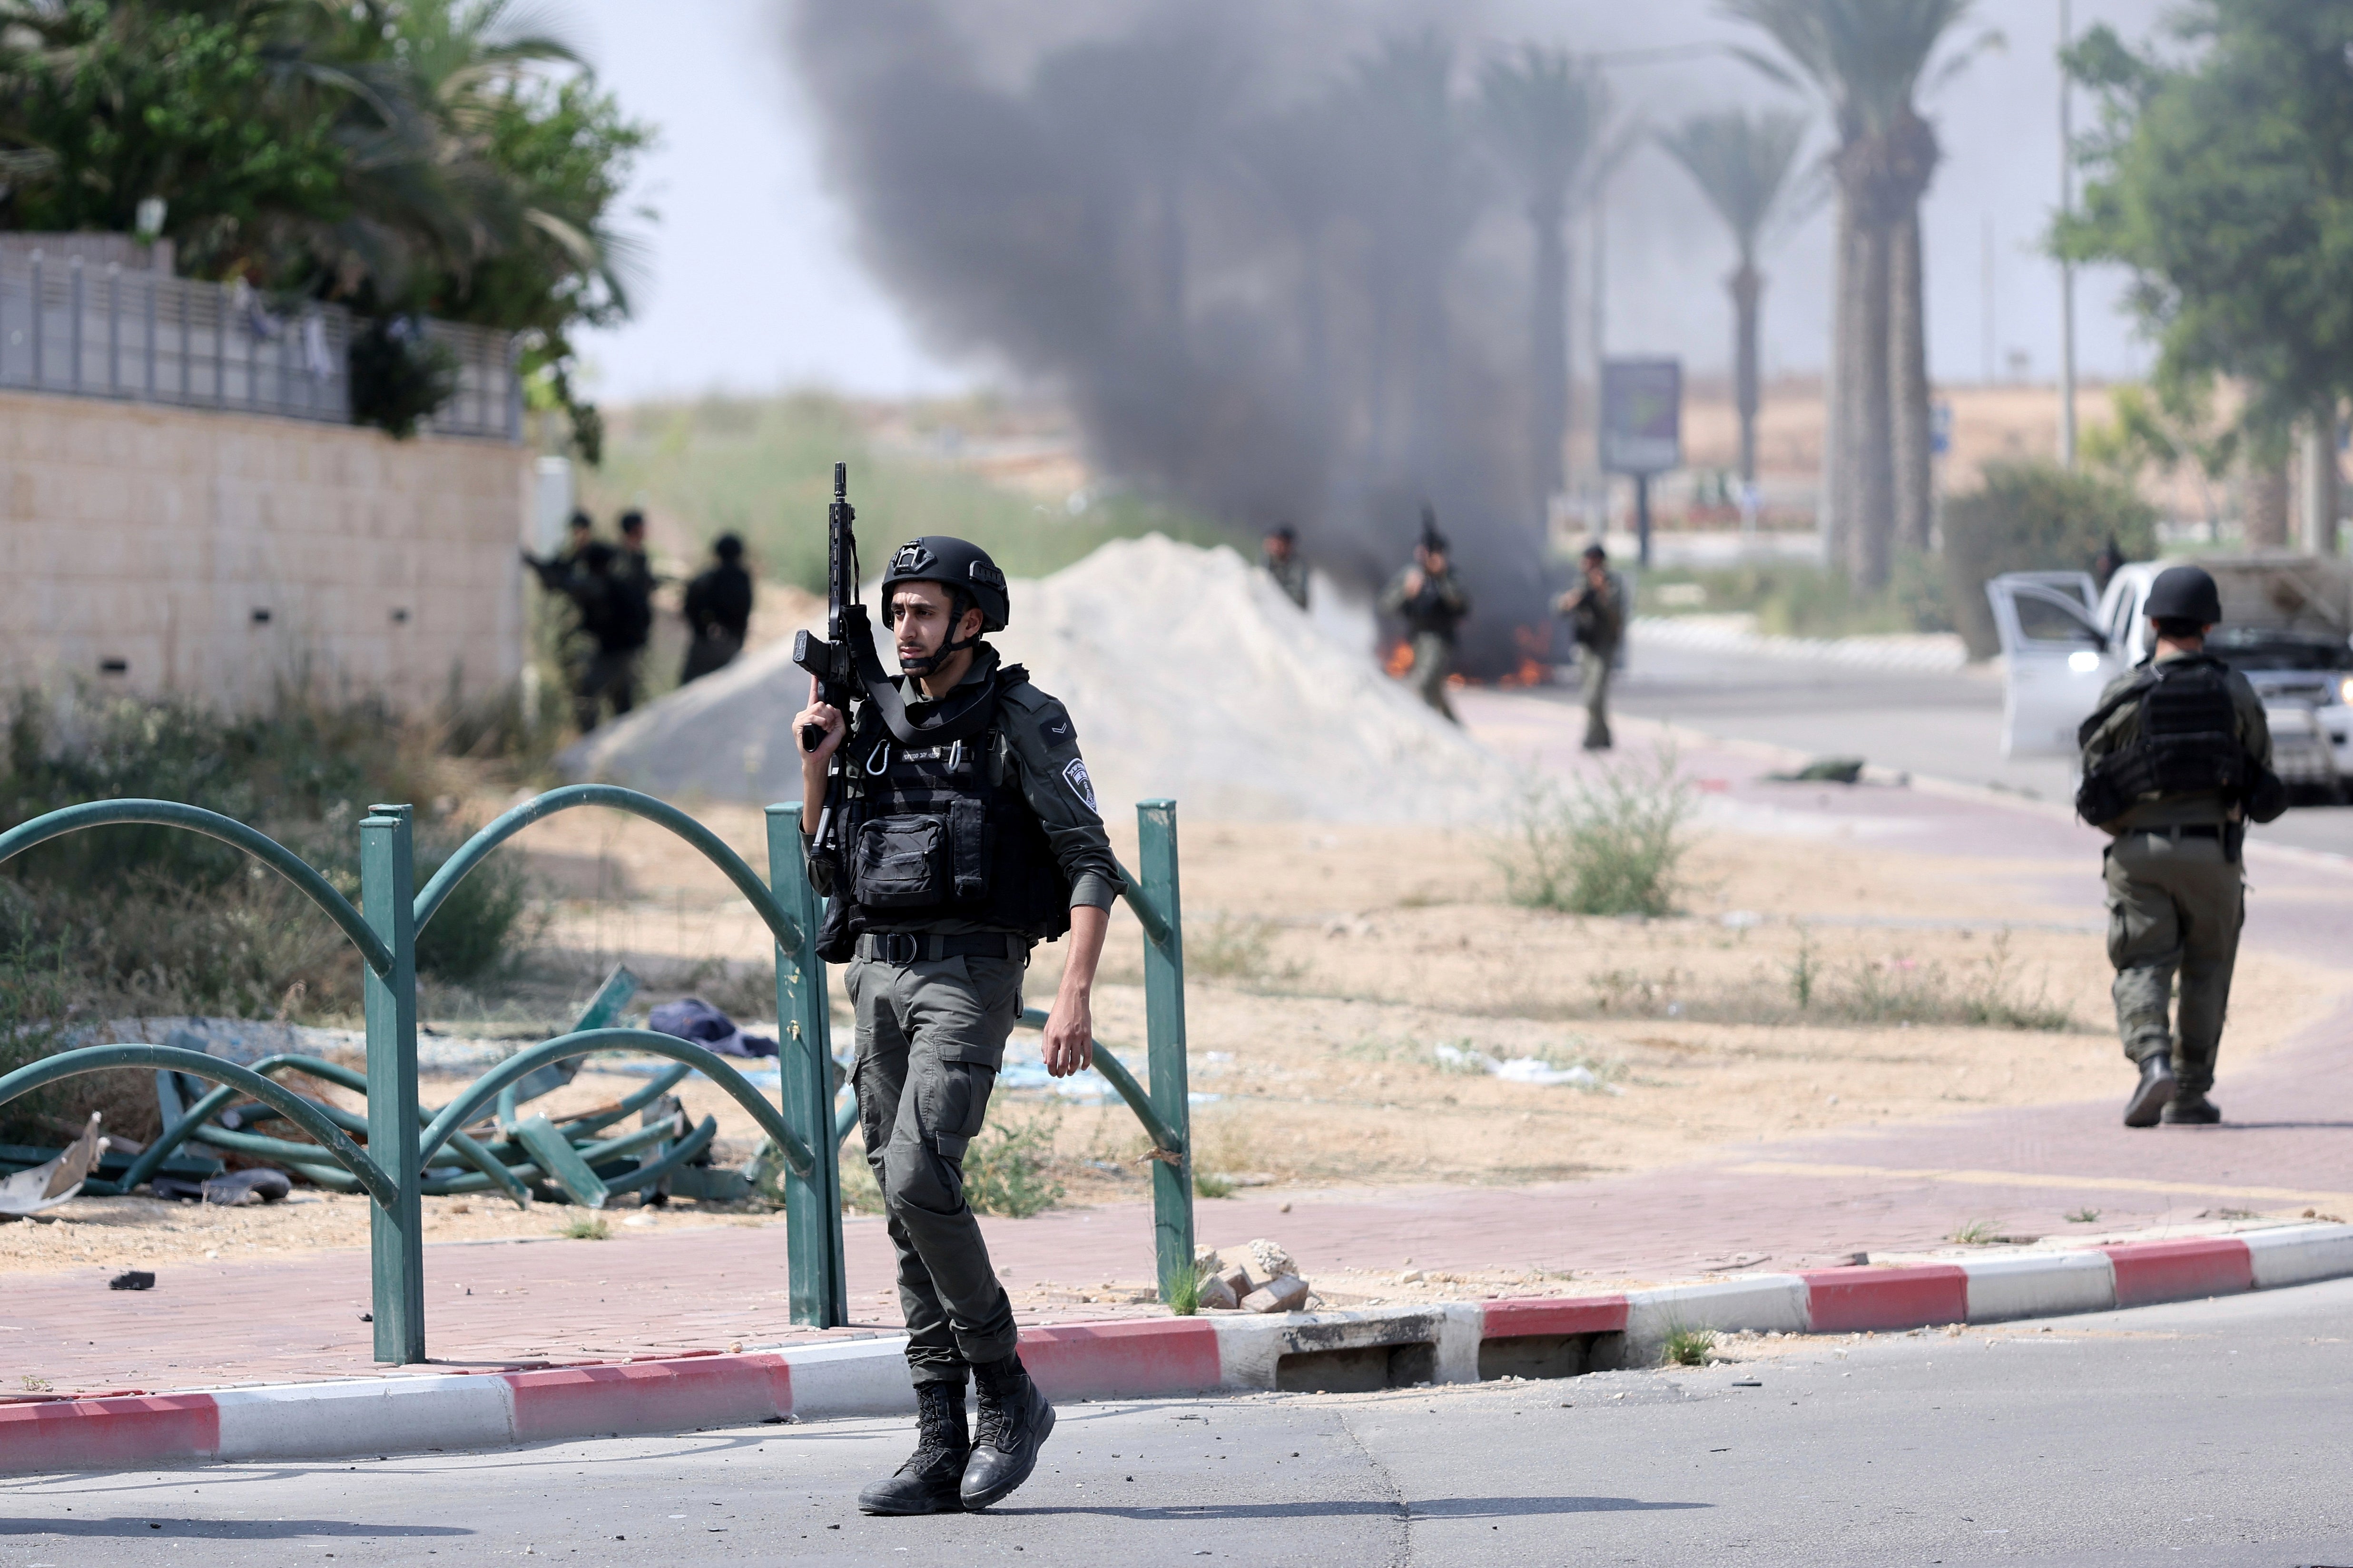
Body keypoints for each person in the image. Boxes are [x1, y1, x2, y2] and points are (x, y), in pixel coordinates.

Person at [792, 535, 1119, 1516]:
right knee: (901, 1202)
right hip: (879, 977)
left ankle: (1007, 1389)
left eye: (923, 611)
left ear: (972, 620)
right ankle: (940, 1436)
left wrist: (1074, 992)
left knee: (922, 1174)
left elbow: (1092, 860)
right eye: (895, 612)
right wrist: (817, 762)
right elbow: (824, 869)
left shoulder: (1022, 717)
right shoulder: (870, 721)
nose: (904, 628)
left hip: (969, 974)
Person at [2076, 564, 2283, 1128]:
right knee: (2207, 969)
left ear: (2152, 621)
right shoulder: (2233, 690)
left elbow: (2092, 785)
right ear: (2208, 626)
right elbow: (2262, 775)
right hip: (2212, 853)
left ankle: (2153, 1060)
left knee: (2143, 959)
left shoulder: (2125, 692)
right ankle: (2189, 1092)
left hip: (2138, 853)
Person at [1378, 514, 1471, 722]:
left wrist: (1442, 577)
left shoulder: (1451, 577)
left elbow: (1462, 604)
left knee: (1422, 685)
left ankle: (1429, 728)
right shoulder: (1411, 575)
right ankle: (1455, 731)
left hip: (1440, 639)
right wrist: (1406, 592)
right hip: (1417, 638)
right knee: (1435, 690)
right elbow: (1385, 605)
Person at [1556, 542, 1626, 750]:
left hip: (1604, 645)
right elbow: (1561, 607)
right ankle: (1603, 736)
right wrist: (1571, 600)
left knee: (1595, 694)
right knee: (1589, 693)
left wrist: (1602, 591)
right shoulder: (1580, 583)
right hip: (1586, 645)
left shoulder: (1613, 584)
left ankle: (1592, 738)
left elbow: (1616, 613)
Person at [680, 532, 755, 684]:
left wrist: (703, 629)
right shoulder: (743, 579)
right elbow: (744, 612)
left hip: (705, 644)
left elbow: (691, 607)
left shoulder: (707, 579)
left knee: (690, 687)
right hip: (731, 644)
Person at [1262, 523, 1310, 610]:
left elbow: (1297, 594)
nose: (1276, 547)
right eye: (1273, 542)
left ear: (1288, 545)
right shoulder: (1266, 559)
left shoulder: (1297, 565)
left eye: (1280, 543)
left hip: (1290, 611)